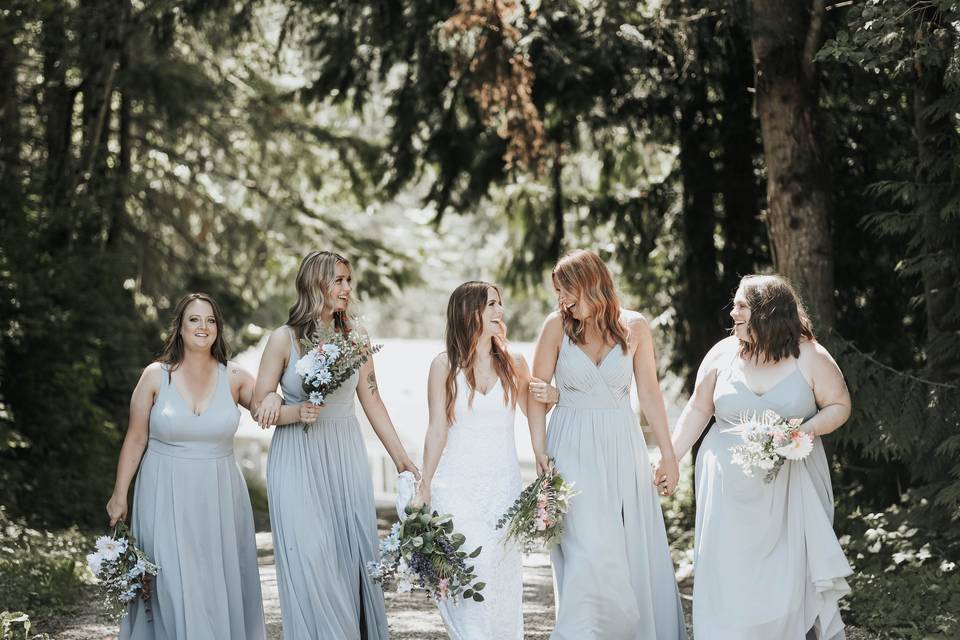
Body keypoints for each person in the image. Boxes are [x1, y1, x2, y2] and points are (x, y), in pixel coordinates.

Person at [670, 274, 852, 639]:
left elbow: (839, 405)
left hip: (787, 487)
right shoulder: (722, 354)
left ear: (767, 313)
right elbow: (697, 410)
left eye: (741, 306)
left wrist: (802, 432)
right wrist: (670, 460)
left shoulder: (810, 356)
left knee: (784, 578)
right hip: (726, 489)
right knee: (727, 572)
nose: (732, 312)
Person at [252, 250, 419, 640]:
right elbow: (259, 404)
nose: (347, 288)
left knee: (347, 561)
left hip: (344, 455)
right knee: (312, 556)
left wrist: (402, 460)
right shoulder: (283, 339)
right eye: (339, 280)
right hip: (295, 459)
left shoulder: (356, 338)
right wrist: (279, 401)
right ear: (316, 284)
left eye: (349, 280)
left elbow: (373, 400)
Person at [527, 249, 686, 639]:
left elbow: (649, 393)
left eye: (567, 291)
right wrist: (539, 451)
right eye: (558, 292)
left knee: (624, 548)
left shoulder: (635, 327)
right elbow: (535, 392)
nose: (562, 300)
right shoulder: (555, 328)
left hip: (621, 447)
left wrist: (668, 456)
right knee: (586, 548)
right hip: (571, 448)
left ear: (591, 284)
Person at [107, 293, 266, 639]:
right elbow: (135, 438)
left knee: (213, 579)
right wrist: (120, 494)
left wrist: (293, 404)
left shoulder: (236, 377)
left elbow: (267, 408)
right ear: (179, 327)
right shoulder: (154, 376)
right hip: (163, 492)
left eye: (210, 320)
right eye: (194, 319)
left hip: (219, 496)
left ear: (218, 329)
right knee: (170, 582)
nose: (203, 326)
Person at [414, 281, 530, 639]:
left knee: (501, 580)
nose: (500, 311)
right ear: (469, 312)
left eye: (500, 303)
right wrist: (424, 486)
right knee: (470, 574)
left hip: (503, 490)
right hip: (458, 490)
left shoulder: (515, 364)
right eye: (491, 304)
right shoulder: (443, 366)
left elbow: (536, 414)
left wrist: (543, 453)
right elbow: (437, 430)